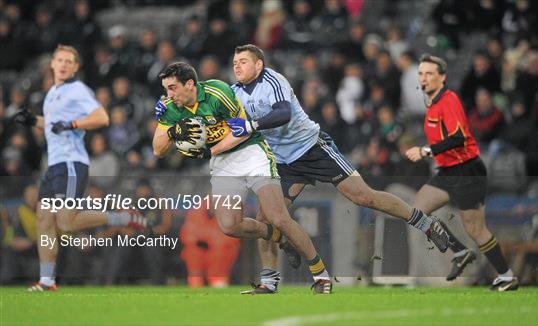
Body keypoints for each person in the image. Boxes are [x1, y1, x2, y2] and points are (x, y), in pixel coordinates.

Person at [225, 44, 450, 294]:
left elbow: (283, 113)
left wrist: (250, 125)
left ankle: (425, 223)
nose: (237, 66)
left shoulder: (273, 80)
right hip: (283, 162)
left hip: (313, 149)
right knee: (265, 218)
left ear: (259, 65)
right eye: (235, 62)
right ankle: (269, 282)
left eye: (243, 61)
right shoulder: (233, 93)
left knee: (364, 196)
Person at [152, 62, 332, 293]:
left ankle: (320, 275)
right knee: (229, 226)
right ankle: (283, 240)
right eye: (166, 89)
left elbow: (243, 129)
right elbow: (158, 149)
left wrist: (210, 150)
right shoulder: (170, 107)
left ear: (190, 84)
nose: (169, 94)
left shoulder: (218, 92)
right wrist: (172, 131)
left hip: (250, 151)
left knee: (277, 216)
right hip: (224, 164)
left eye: (173, 87)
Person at [13, 45, 147, 292]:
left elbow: (101, 118)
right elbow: (54, 125)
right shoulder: (53, 93)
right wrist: (34, 121)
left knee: (66, 223)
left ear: (75, 67)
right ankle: (46, 281)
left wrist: (73, 123)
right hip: (53, 164)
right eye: (60, 60)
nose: (63, 64)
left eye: (69, 61)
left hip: (71, 163)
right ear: (52, 64)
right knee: (44, 220)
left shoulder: (77, 90)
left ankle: (125, 217)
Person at [405, 53, 518, 291]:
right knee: (417, 211)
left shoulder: (449, 100)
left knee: (476, 229)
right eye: (421, 73)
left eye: (429, 74)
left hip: (467, 171)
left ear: (442, 77)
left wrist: (425, 150)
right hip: (448, 171)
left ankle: (507, 276)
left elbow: (458, 138)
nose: (424, 78)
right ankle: (460, 251)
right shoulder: (433, 104)